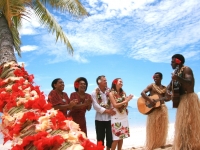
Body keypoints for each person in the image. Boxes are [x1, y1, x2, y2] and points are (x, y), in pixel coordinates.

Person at [167, 54, 200, 149]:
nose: (171, 63)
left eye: (172, 61)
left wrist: (178, 78)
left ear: (178, 61)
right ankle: (184, 145)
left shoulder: (186, 69)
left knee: (190, 124)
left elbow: (190, 84)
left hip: (189, 99)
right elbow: (170, 86)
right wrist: (168, 91)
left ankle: (192, 145)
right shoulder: (176, 72)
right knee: (182, 126)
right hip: (181, 101)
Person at [141, 72, 168, 150]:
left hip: (162, 108)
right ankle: (153, 144)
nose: (155, 78)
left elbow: (167, 99)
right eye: (154, 77)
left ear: (161, 78)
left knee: (162, 128)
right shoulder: (151, 86)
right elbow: (142, 93)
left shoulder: (164, 88)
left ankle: (160, 143)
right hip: (153, 110)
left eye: (157, 77)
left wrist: (169, 97)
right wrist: (150, 100)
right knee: (153, 129)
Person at [91, 75, 116, 150]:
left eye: (106, 80)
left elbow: (113, 102)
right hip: (99, 119)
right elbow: (95, 106)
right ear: (99, 82)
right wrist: (107, 111)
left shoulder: (110, 92)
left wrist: (112, 110)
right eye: (104, 80)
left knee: (110, 137)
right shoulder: (94, 92)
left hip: (110, 119)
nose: (106, 81)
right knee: (100, 138)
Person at [108, 78, 133, 150]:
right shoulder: (111, 93)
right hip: (116, 116)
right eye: (120, 81)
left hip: (123, 116)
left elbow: (125, 105)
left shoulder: (123, 93)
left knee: (121, 137)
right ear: (115, 82)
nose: (122, 83)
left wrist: (127, 101)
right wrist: (126, 101)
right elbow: (115, 105)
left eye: (122, 82)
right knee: (116, 138)